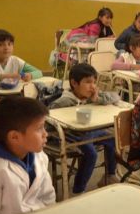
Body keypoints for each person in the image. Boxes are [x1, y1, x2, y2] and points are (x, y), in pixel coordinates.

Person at [0, 97, 55, 214]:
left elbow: (47, 196)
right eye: (39, 129)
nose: (45, 134)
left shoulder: (37, 155)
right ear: (14, 137)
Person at [49, 63, 119, 195]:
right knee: (91, 153)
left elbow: (116, 96)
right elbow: (49, 118)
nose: (92, 86)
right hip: (69, 135)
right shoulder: (64, 102)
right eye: (88, 82)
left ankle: (109, 176)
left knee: (112, 139)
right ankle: (78, 190)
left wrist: (97, 98)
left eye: (94, 82)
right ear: (74, 83)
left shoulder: (90, 96)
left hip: (88, 131)